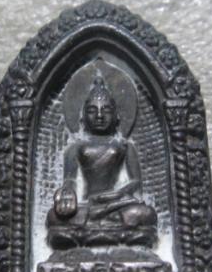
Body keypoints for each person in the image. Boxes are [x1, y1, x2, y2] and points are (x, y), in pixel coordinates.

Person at [47, 77, 157, 249]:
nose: (99, 116)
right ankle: (105, 231)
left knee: (145, 214)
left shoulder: (125, 146)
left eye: (106, 110)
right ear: (83, 116)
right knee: (54, 217)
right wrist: (66, 197)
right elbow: (69, 180)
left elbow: (136, 182)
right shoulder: (75, 147)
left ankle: (97, 231)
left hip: (117, 205)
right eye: (92, 110)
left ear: (116, 115)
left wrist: (117, 195)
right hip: (87, 206)